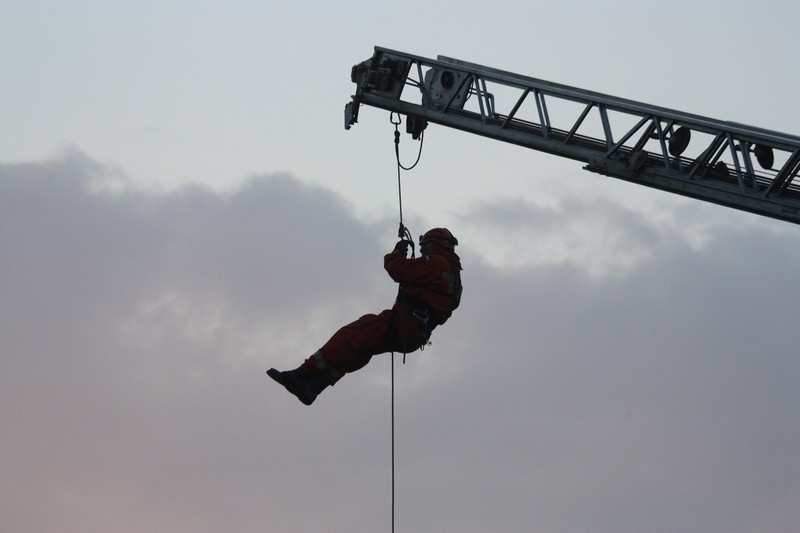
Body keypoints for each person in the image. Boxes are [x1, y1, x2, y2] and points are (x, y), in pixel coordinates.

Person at [267, 227, 463, 405]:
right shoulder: (453, 277)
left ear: (433, 245)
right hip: (414, 333)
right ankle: (313, 385)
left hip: (406, 323)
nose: (423, 253)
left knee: (352, 335)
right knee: (359, 350)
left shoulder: (437, 264)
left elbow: (396, 268)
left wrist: (397, 252)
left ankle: (303, 374)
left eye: (424, 248)